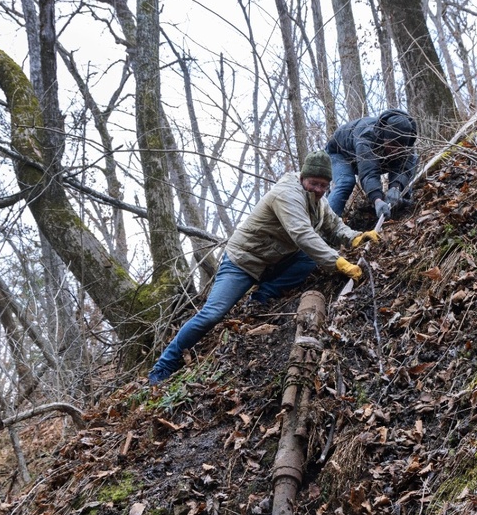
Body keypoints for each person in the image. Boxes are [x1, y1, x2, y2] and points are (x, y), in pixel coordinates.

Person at [147, 151, 378, 384]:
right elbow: (302, 235)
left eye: (324, 185)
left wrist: (357, 238)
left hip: (275, 261)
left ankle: (262, 296)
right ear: (303, 178)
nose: (319, 189)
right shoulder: (287, 194)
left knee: (311, 257)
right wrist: (338, 262)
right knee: (212, 314)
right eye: (314, 183)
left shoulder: (320, 203)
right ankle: (163, 365)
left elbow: (335, 227)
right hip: (242, 262)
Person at [326, 109, 418, 219]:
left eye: (400, 147)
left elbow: (403, 169)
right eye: (392, 144)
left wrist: (395, 188)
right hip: (339, 153)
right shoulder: (366, 139)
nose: (395, 150)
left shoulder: (406, 148)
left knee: (411, 161)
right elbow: (369, 173)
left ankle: (401, 206)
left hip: (372, 157)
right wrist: (377, 200)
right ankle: (326, 224)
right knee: (346, 182)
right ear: (384, 138)